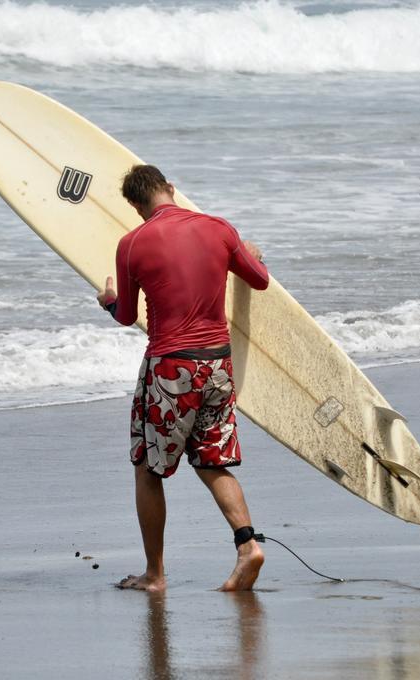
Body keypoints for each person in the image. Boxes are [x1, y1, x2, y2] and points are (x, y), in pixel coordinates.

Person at [96, 164, 270, 593]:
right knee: (213, 460)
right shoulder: (219, 229)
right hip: (218, 365)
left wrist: (108, 301)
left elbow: (126, 316)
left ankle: (155, 575)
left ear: (137, 206)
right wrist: (252, 253)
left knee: (147, 467)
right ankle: (248, 545)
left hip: (170, 368)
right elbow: (260, 280)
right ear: (171, 188)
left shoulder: (133, 243)